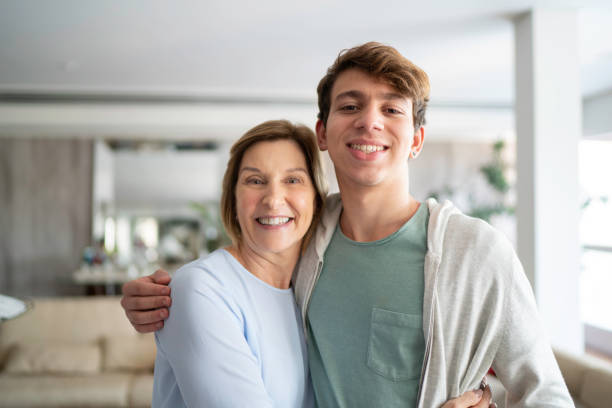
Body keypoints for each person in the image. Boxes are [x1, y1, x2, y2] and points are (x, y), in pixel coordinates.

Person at [122, 43, 573, 408]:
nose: (369, 120)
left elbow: (546, 395)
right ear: (323, 132)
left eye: (392, 109)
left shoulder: (475, 252)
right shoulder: (307, 239)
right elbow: (240, 273)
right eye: (351, 104)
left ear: (415, 139)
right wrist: (158, 297)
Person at [151, 120, 326, 407]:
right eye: (255, 181)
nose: (273, 200)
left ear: (317, 199)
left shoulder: (308, 294)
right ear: (233, 199)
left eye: (292, 180)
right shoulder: (201, 289)